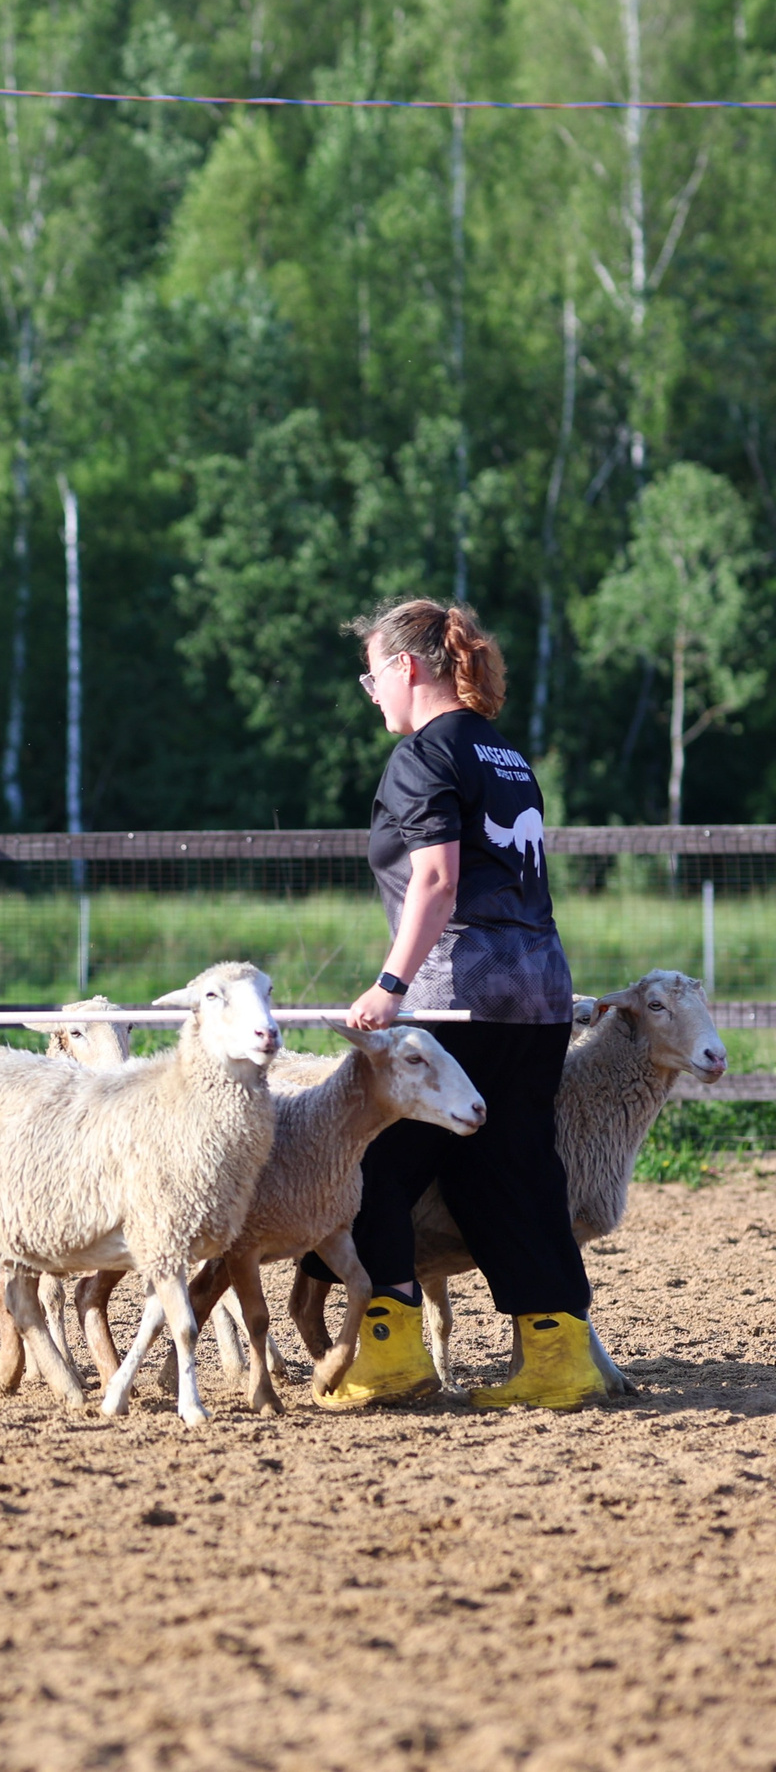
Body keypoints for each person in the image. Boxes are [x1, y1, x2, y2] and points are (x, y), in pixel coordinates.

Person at [312, 596, 605, 1412]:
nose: (371, 692)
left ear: (407, 668)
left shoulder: (422, 756)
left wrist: (390, 985)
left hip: (454, 1002)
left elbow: (436, 882)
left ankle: (392, 1351)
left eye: (372, 675)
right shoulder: (504, 753)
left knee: (365, 1165)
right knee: (510, 1168)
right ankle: (560, 1356)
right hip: (537, 997)